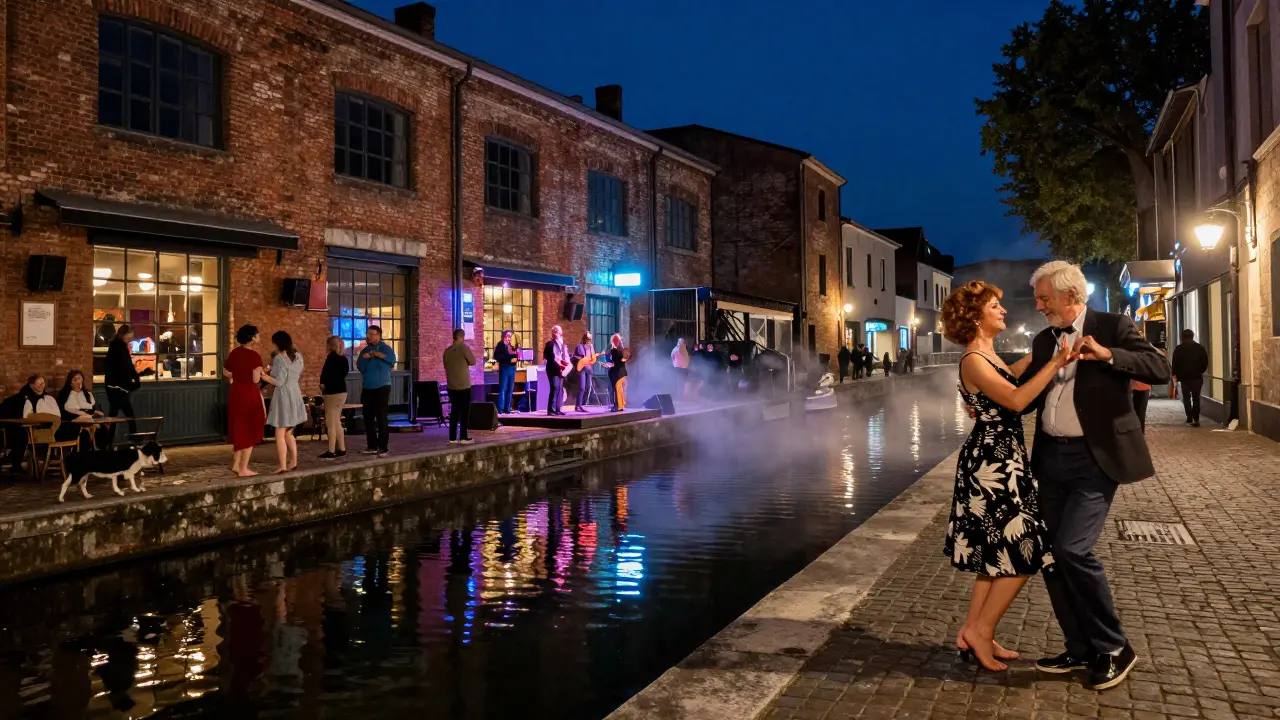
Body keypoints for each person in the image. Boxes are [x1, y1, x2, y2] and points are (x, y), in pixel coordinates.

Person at [1020, 261, 1169, 690]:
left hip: (1095, 458)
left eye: (1044, 298)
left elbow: (1159, 368)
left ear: (1071, 296)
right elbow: (1029, 394)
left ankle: (1114, 646)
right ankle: (1080, 647)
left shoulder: (1112, 325)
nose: (1038, 305)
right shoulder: (1044, 338)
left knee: (1072, 549)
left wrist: (1107, 355)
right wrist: (986, 402)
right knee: (1051, 555)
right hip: (1051, 459)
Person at [942, 281, 1070, 673]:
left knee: (995, 557)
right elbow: (1015, 400)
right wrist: (1054, 364)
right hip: (992, 465)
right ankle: (982, 630)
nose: (1003, 311)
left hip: (1003, 459)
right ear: (975, 315)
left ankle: (973, 629)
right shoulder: (973, 360)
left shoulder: (988, 356)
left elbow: (1012, 378)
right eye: (995, 306)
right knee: (1024, 552)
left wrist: (1042, 352)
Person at [224, 325, 267, 477]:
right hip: (249, 393)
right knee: (250, 429)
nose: (259, 336)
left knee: (239, 427)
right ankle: (243, 468)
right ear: (252, 338)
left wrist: (237, 375)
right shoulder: (255, 356)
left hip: (236, 392)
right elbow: (256, 379)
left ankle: (236, 464)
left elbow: (227, 372)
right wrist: (261, 373)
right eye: (257, 334)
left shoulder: (234, 353)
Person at [262, 331, 305, 474]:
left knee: (279, 433)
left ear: (276, 343)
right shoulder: (298, 356)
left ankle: (282, 465)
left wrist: (263, 376)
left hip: (284, 396)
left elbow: (279, 382)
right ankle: (293, 461)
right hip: (295, 392)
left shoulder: (279, 358)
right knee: (288, 433)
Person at [356, 325, 397, 457]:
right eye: (368, 334)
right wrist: (367, 358)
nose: (369, 336)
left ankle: (383, 447)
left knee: (381, 417)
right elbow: (360, 365)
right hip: (368, 387)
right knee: (368, 418)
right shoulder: (365, 350)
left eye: (372, 334)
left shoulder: (385, 348)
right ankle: (371, 445)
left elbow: (391, 360)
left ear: (378, 335)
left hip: (382, 387)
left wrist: (377, 355)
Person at [104, 324, 142, 447]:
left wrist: (134, 379)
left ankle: (108, 442)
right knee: (128, 415)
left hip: (114, 387)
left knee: (114, 415)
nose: (130, 339)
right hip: (118, 388)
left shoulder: (116, 347)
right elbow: (124, 368)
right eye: (129, 336)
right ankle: (134, 440)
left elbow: (125, 367)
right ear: (124, 334)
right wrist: (133, 382)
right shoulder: (119, 348)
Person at [443, 328, 477, 445]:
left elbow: (445, 366)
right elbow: (473, 361)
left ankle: (452, 438)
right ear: (462, 337)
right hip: (463, 385)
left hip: (451, 385)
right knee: (464, 412)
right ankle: (463, 436)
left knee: (454, 412)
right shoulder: (463, 348)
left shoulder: (447, 351)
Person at [57, 369, 105, 449]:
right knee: (83, 434)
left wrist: (94, 412)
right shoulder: (65, 394)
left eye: (80, 379)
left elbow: (91, 408)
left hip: (89, 420)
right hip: (72, 422)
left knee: (102, 429)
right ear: (70, 382)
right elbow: (63, 412)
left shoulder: (87, 394)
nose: (78, 382)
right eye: (75, 379)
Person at [1171, 328, 1209, 427]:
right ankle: (1196, 418)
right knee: (1196, 398)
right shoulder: (1199, 348)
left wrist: (1175, 374)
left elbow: (1175, 363)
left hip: (1184, 379)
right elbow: (1205, 362)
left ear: (1182, 337)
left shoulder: (1179, 349)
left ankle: (1189, 416)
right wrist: (1200, 371)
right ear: (1192, 336)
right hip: (1197, 377)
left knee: (1186, 398)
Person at [319, 336, 349, 459]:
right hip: (342, 391)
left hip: (331, 392)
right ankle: (342, 448)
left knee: (330, 422)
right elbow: (344, 373)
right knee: (337, 420)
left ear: (330, 346)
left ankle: (331, 450)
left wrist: (322, 385)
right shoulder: (344, 359)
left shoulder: (331, 358)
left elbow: (325, 375)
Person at [543, 325, 571, 416]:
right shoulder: (550, 344)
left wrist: (565, 365)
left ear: (560, 333)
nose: (555, 333)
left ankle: (558, 409)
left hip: (561, 369)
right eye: (553, 331)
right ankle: (551, 410)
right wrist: (556, 361)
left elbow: (565, 356)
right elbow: (546, 356)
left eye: (556, 331)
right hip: (552, 369)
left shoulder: (563, 343)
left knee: (559, 389)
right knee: (554, 388)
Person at [570, 332, 598, 413]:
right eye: (588, 339)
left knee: (588, 387)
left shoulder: (591, 347)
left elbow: (592, 358)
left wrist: (595, 357)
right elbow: (575, 357)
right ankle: (578, 406)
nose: (589, 341)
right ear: (584, 338)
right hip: (582, 369)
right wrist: (580, 359)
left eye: (590, 339)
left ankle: (583, 404)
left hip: (589, 369)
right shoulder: (579, 347)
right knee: (581, 387)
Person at [493, 330, 519, 414]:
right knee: (503, 388)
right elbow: (496, 356)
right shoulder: (500, 344)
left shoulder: (511, 345)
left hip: (512, 368)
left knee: (510, 389)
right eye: (508, 335)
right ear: (504, 336)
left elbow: (515, 355)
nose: (509, 337)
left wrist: (516, 355)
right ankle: (500, 409)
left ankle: (507, 408)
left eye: (510, 336)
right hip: (504, 367)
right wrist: (508, 357)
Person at [607, 333, 628, 412]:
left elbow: (615, 361)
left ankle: (619, 406)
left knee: (618, 389)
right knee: (619, 389)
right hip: (620, 373)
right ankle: (619, 405)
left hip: (618, 373)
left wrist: (610, 364)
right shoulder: (621, 350)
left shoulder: (615, 351)